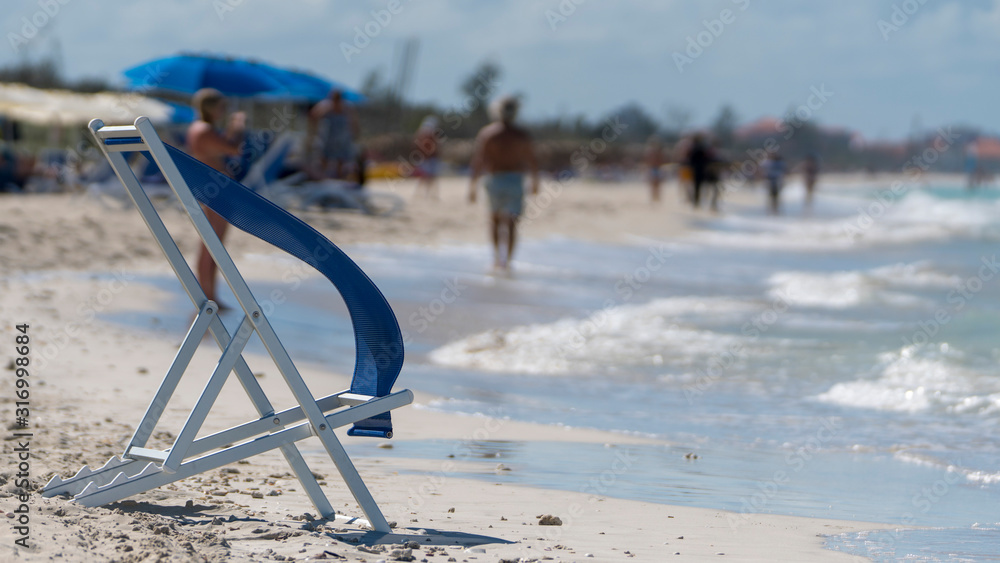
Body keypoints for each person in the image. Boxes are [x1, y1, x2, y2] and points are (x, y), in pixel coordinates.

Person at [186, 88, 246, 307]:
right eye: (222, 107)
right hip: (215, 191)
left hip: (209, 188)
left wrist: (231, 128)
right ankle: (209, 297)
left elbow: (223, 148)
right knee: (212, 244)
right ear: (212, 108)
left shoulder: (198, 128)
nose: (224, 111)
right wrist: (238, 125)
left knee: (211, 243)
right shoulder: (204, 130)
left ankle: (210, 296)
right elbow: (234, 149)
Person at [468, 95, 539, 272]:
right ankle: (507, 261)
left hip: (495, 179)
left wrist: (472, 186)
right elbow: (532, 160)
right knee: (512, 223)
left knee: (495, 220)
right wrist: (536, 180)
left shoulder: (488, 134)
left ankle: (496, 260)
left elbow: (478, 161)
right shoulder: (521, 135)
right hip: (515, 179)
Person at [308, 89, 359, 180]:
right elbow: (313, 116)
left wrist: (354, 134)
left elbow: (354, 122)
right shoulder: (325, 106)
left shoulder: (347, 107)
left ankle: (340, 178)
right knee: (324, 158)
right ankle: (321, 178)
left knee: (341, 160)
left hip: (342, 138)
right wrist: (314, 131)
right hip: (328, 138)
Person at [414, 115, 441, 198]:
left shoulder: (421, 135)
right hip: (427, 159)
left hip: (427, 159)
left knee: (428, 177)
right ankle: (429, 194)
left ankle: (430, 193)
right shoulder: (428, 135)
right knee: (428, 177)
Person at [685, 133, 711, 208]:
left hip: (695, 169)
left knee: (695, 186)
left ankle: (696, 200)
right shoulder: (701, 148)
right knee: (698, 186)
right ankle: (697, 200)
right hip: (699, 169)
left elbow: (690, 158)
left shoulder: (694, 148)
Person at [644, 134, 665, 203]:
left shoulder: (656, 151)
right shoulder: (650, 151)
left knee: (656, 184)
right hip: (653, 168)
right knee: (653, 184)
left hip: (656, 168)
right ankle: (654, 197)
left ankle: (656, 197)